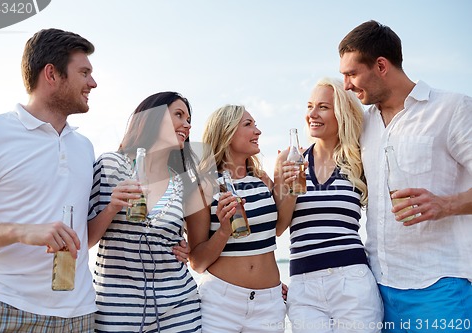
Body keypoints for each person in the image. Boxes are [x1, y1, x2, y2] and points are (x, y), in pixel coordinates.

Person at [339, 20, 472, 332]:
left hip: (441, 286)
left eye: (352, 73)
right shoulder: (362, 125)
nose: (346, 84)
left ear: (381, 66)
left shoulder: (452, 109)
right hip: (377, 290)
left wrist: (446, 205)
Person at [0, 29, 98, 332]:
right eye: (84, 73)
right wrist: (21, 230)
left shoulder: (85, 147)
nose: (92, 83)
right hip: (4, 308)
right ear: (52, 74)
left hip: (79, 315)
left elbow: (83, 234)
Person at [87, 91, 203, 333]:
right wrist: (112, 207)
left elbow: (190, 245)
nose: (187, 124)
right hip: (117, 308)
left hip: (179, 307)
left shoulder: (182, 183)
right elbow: (86, 239)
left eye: (189, 119)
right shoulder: (111, 165)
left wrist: (187, 249)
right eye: (179, 115)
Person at [274, 77, 383, 332]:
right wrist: (290, 188)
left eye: (323, 107)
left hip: (352, 281)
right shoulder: (288, 160)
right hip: (303, 286)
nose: (312, 114)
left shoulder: (360, 159)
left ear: (341, 114)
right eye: (310, 106)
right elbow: (279, 227)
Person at [188, 105, 287, 332]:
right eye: (248, 124)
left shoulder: (262, 180)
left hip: (269, 303)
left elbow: (279, 228)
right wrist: (223, 231)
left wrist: (287, 183)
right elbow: (197, 262)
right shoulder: (202, 187)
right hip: (220, 304)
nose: (258, 131)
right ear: (227, 133)